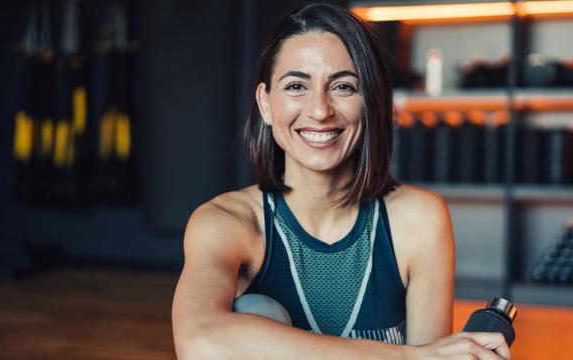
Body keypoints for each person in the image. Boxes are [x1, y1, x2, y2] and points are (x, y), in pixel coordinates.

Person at [172, 3, 510, 359]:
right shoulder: (225, 222)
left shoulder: (419, 219)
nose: (320, 110)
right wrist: (409, 355)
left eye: (344, 86)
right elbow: (200, 341)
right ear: (266, 103)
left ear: (371, 102)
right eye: (296, 86)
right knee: (256, 312)